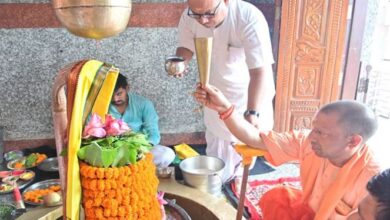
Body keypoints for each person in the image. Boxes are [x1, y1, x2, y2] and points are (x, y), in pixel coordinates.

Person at [194, 84, 381, 219]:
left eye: (321, 133)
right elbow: (256, 139)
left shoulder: (373, 181)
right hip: (310, 212)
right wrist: (225, 108)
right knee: (278, 198)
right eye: (313, 128)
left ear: (353, 141)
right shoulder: (308, 142)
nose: (312, 137)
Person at [172, 0, 276, 181]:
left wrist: (252, 113)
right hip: (215, 97)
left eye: (209, 14)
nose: (202, 20)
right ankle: (219, 188)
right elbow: (186, 46)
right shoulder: (190, 15)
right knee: (217, 151)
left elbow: (261, 72)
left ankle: (238, 189)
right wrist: (180, 62)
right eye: (196, 14)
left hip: (248, 99)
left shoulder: (248, 17)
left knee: (243, 160)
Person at [109, 73, 175, 168]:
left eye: (119, 94)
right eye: (111, 95)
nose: (115, 99)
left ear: (127, 88)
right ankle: (131, 168)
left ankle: (133, 169)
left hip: (140, 151)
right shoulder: (102, 105)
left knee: (167, 154)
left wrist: (140, 149)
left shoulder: (144, 104)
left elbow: (153, 134)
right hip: (112, 152)